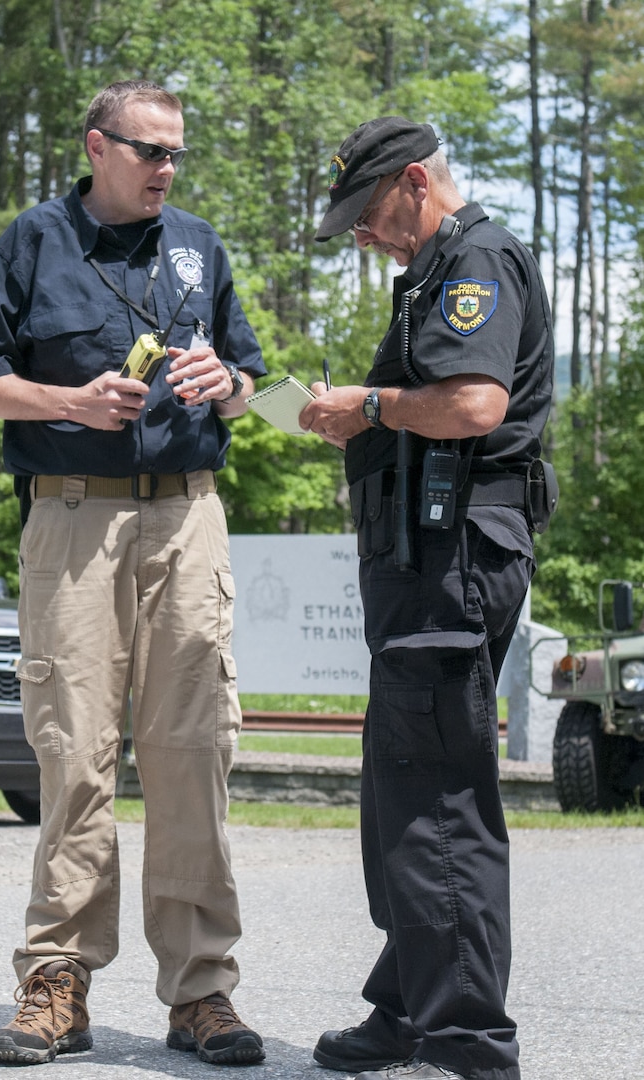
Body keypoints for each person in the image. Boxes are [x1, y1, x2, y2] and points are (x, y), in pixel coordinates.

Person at [0, 80, 267, 1068]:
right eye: (149, 151)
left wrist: (231, 387)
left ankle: (202, 993)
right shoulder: (33, 241)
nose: (166, 170)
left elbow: (250, 379)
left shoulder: (200, 245)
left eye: (176, 153)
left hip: (187, 514)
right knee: (73, 754)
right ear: (98, 146)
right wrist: (66, 403)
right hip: (72, 516)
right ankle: (56, 985)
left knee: (190, 754)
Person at [300, 118, 554, 1080]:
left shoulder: (476, 256)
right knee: (403, 783)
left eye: (365, 213)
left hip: (451, 558)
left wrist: (364, 403)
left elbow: (472, 406)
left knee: (437, 794)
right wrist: (328, 413)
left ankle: (467, 1040)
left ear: (414, 181)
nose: (360, 235)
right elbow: (419, 410)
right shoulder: (432, 270)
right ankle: (409, 1003)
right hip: (421, 560)